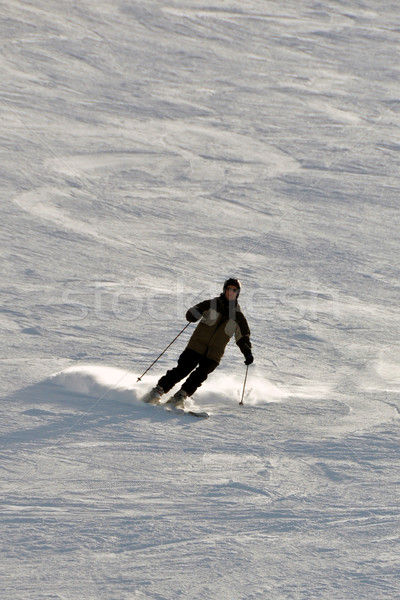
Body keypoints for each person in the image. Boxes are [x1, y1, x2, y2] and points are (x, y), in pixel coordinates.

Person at [147, 278, 254, 408]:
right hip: (196, 346)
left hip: (214, 354)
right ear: (224, 290)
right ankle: (157, 391)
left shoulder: (239, 317)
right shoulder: (212, 304)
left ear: (238, 293)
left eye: (234, 290)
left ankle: (180, 396)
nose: (231, 292)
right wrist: (193, 314)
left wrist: (247, 353)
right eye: (228, 289)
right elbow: (193, 311)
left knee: (200, 376)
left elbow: (243, 338)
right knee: (183, 369)